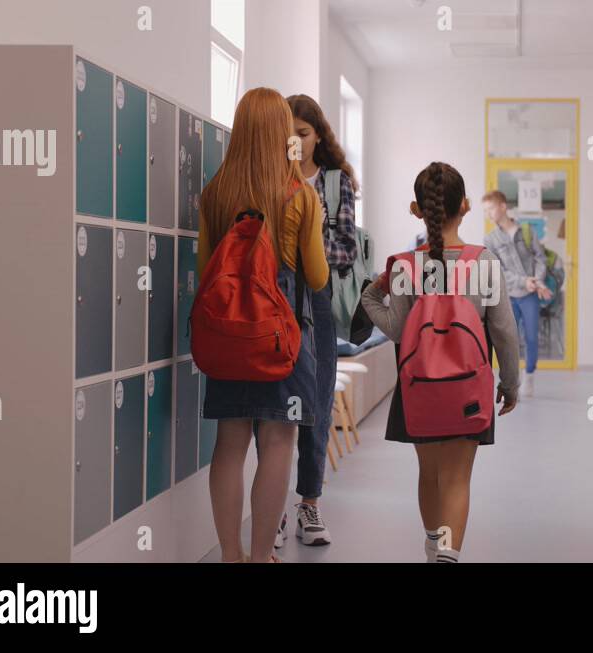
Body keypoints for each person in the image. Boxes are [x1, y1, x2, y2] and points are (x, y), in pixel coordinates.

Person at [361, 162, 520, 563]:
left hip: (419, 388)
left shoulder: (405, 265)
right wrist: (511, 384)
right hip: (468, 388)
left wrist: (369, 298)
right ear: (465, 206)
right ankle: (447, 557)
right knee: (456, 479)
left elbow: (396, 331)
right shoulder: (484, 262)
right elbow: (503, 331)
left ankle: (433, 546)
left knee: (430, 474)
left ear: (417, 210)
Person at [198, 88, 329, 563]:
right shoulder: (300, 196)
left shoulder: (215, 194)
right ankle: (259, 557)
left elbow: (204, 272)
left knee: (229, 443)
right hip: (282, 341)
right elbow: (316, 277)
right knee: (278, 440)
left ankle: (230, 555)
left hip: (229, 339)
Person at [269, 94, 358, 548]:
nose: (297, 143)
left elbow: (348, 249)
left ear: (318, 135)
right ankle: (274, 511)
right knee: (278, 403)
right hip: (277, 295)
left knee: (317, 401)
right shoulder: (271, 176)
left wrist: (312, 235)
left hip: (319, 299)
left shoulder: (337, 183)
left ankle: (309, 505)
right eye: (290, 134)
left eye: (304, 134)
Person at [482, 190, 551, 396]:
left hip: (530, 295)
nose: (488, 214)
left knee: (530, 338)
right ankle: (514, 381)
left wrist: (536, 281)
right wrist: (523, 281)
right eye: (485, 211)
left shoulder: (527, 231)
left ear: (503, 206)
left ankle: (530, 375)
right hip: (509, 296)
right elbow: (498, 270)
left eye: (491, 208)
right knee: (509, 340)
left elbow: (540, 258)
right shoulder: (490, 240)